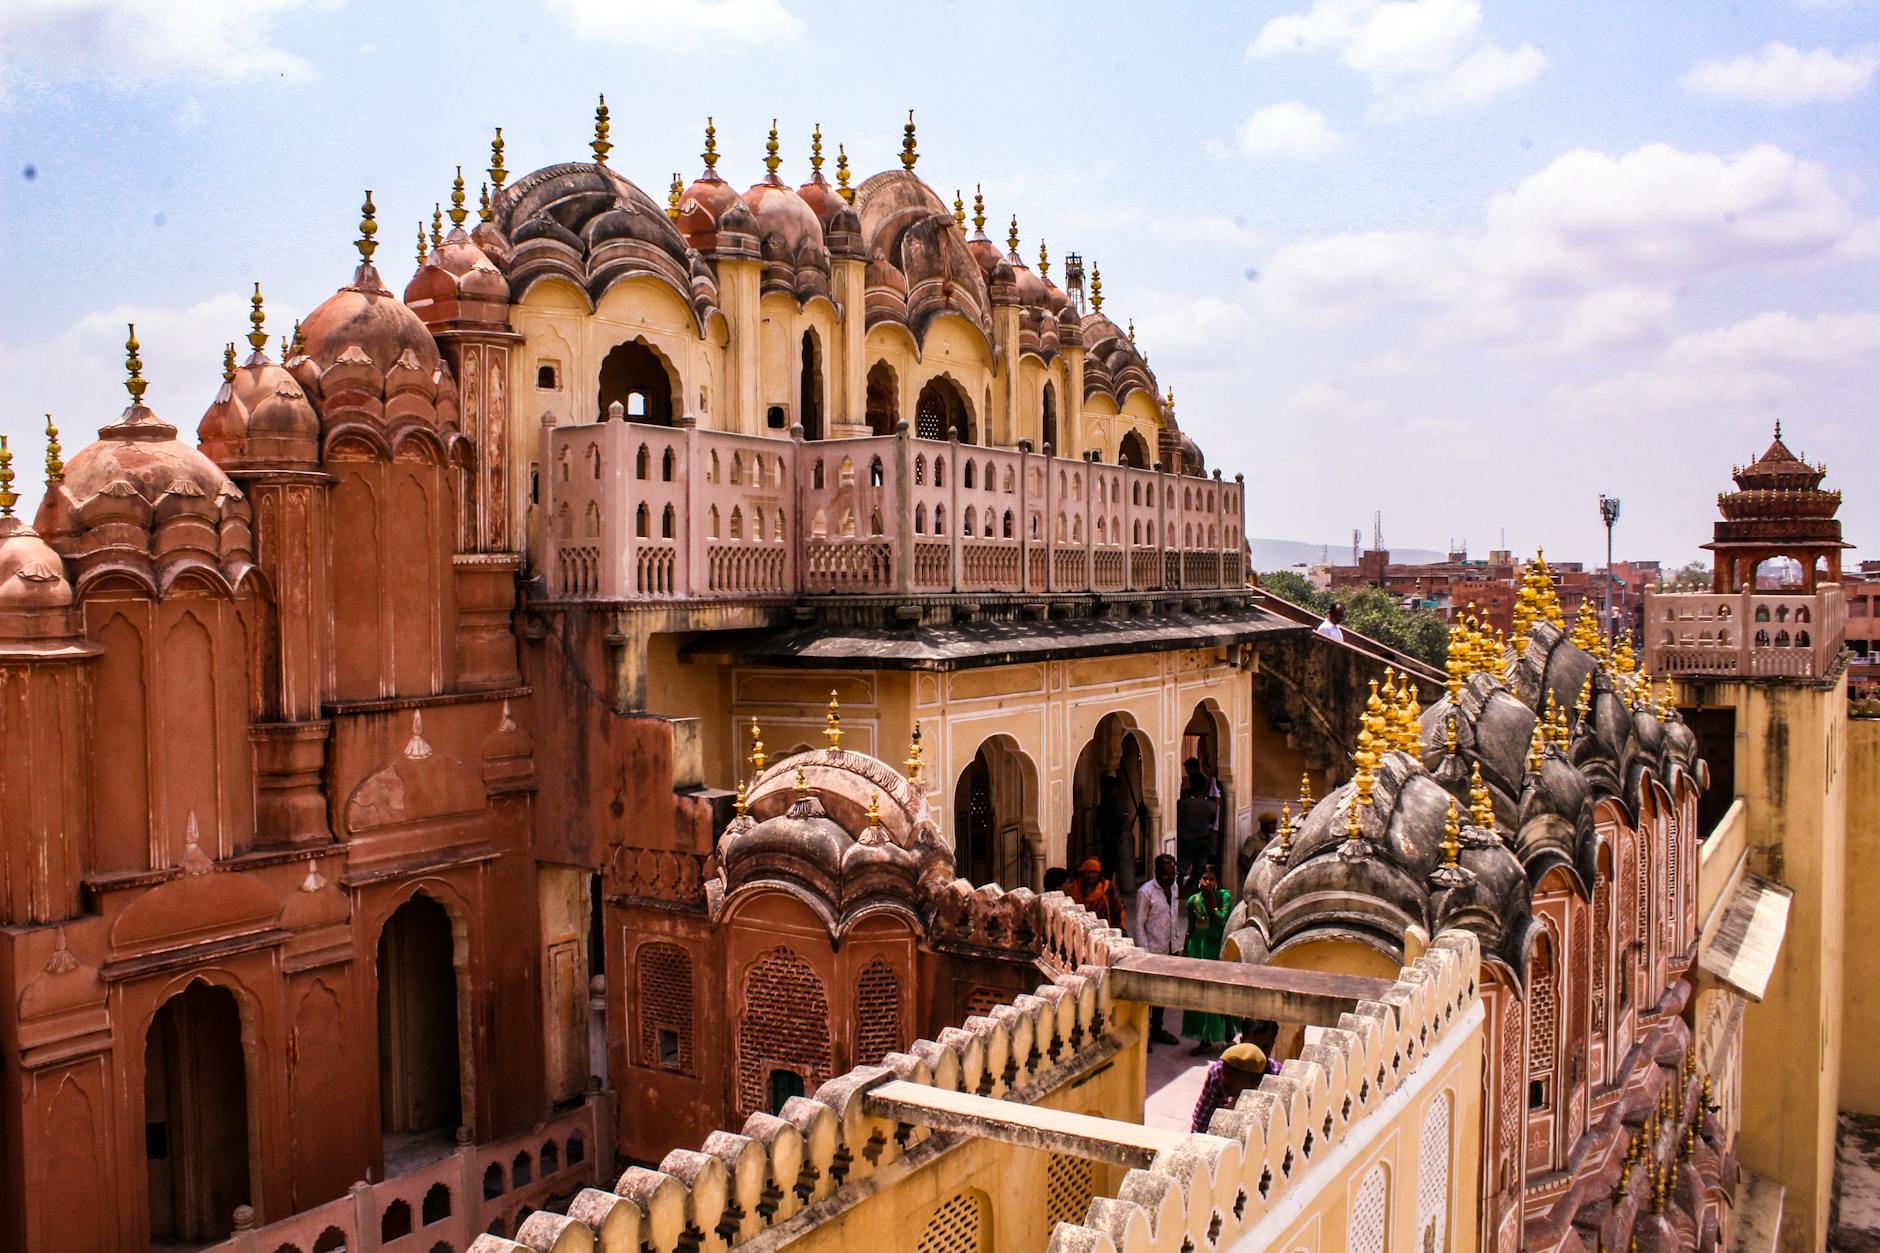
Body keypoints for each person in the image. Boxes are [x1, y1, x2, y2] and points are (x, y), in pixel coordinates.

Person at [1130, 854, 1187, 1048]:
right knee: (1147, 995)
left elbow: (1173, 916)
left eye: (1172, 874)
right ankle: (1142, 1034)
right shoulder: (1145, 892)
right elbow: (1139, 922)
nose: (1168, 877)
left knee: (1162, 993)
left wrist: (1177, 944)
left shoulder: (1174, 887)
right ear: (1156, 872)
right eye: (1164, 874)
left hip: (1169, 947)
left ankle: (1157, 1029)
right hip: (1152, 951)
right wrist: (1144, 952)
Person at [1180, 866, 1234, 1054]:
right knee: (1199, 991)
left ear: (1216, 882)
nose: (1207, 882)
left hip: (1216, 948)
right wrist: (1185, 951)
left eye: (1211, 879)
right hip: (1198, 946)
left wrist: (1212, 905)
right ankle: (1204, 1037)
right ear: (1199, 881)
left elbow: (1222, 920)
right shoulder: (1193, 900)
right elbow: (1190, 927)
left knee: (1218, 989)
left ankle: (1227, 1028)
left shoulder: (1224, 897)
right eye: (1204, 878)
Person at [1190, 1041, 1278, 1133]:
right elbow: (1201, 1121)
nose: (1224, 1083)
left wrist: (1241, 1106)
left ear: (1255, 1080)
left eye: (1229, 1086)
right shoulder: (1218, 1072)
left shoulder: (1276, 1080)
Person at [1175, 763, 1218, 883]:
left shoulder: (1182, 804)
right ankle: (1197, 892)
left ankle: (1177, 892)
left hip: (1186, 839)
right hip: (1202, 839)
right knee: (1200, 869)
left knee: (1181, 869)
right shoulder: (1210, 806)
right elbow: (1212, 820)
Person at [1066, 856, 1124, 928]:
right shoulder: (1073, 888)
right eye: (1087, 872)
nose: (1090, 875)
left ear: (1099, 873)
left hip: (1104, 930)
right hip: (1078, 929)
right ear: (1081, 873)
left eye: (1093, 872)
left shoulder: (1108, 887)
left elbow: (1116, 909)